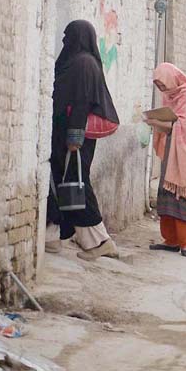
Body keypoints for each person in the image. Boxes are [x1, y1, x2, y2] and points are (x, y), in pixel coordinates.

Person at [45, 20, 120, 261]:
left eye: (69, 37)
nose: (65, 41)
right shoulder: (77, 62)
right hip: (63, 136)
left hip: (75, 139)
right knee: (60, 183)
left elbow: (81, 103)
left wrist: (74, 139)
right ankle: (52, 236)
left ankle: (100, 241)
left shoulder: (84, 64)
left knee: (77, 185)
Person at [144, 63, 186, 258]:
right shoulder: (171, 96)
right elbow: (172, 124)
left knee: (183, 194)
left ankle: (185, 243)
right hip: (172, 152)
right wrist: (157, 121)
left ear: (171, 78)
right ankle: (171, 240)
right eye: (158, 85)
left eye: (163, 84)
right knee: (167, 193)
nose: (162, 89)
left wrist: (156, 122)